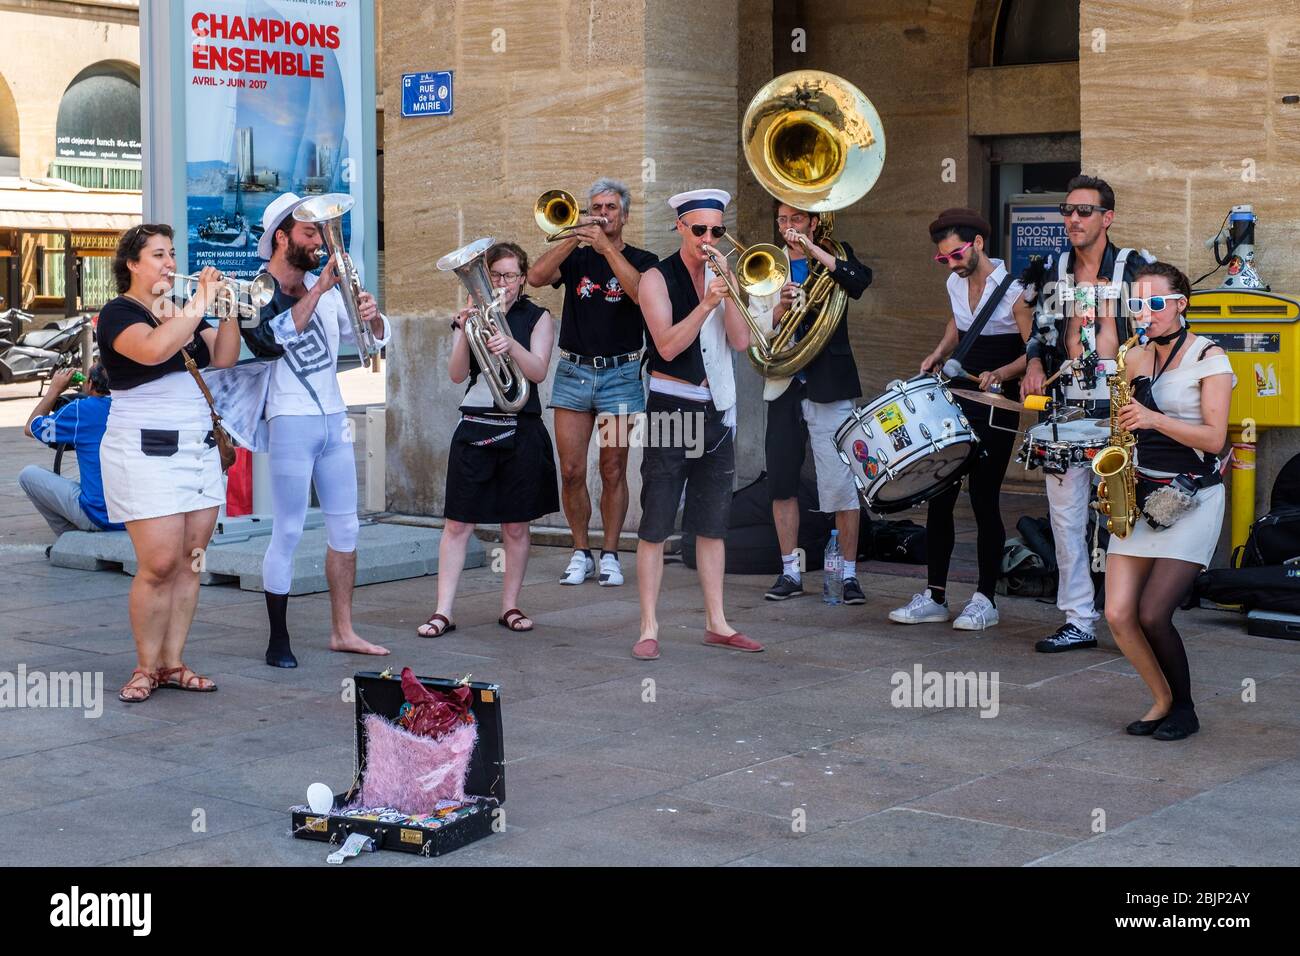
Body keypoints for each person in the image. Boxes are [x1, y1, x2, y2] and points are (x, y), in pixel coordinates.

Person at [96, 223, 241, 702]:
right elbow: (154, 349)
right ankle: (144, 666)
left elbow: (223, 358)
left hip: (197, 450)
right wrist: (200, 301)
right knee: (159, 562)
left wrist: (230, 310)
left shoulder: (175, 309)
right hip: (144, 450)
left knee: (191, 561)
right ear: (132, 265)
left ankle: (173, 662)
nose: (170, 264)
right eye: (158, 255)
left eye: (172, 254)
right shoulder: (118, 313)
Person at [252, 192, 392, 668]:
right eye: (310, 232)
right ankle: (278, 639)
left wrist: (372, 318)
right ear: (281, 237)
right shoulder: (257, 289)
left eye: (320, 232)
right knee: (288, 530)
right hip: (288, 418)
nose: (320, 242)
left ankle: (343, 630)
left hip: (334, 416)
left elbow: (367, 340)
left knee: (346, 525)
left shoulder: (326, 289)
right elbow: (270, 338)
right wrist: (320, 290)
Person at [1022, 174, 1154, 653]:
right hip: (1066, 407)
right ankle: (1079, 618)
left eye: (1084, 211)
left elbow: (1161, 326)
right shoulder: (1052, 269)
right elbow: (1036, 326)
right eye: (1067, 210)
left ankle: (1129, 616)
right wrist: (1035, 363)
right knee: (1065, 520)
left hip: (1120, 408)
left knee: (1123, 517)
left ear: (1107, 217)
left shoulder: (1134, 266)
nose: (1073, 219)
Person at [1104, 261, 1233, 741]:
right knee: (1117, 613)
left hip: (1191, 496)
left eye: (1155, 303)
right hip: (1141, 493)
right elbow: (1123, 424)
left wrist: (1153, 420)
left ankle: (1186, 709)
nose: (1145, 312)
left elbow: (1216, 438)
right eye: (1137, 303)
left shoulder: (1210, 357)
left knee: (1154, 613)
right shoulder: (1132, 356)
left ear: (1180, 304)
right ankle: (1161, 701)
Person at [631, 188, 760, 660]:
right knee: (657, 520)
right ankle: (648, 626)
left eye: (718, 231)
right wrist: (706, 303)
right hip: (671, 408)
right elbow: (666, 346)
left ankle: (717, 622)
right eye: (701, 229)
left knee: (713, 522)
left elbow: (741, 343)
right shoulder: (655, 278)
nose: (710, 239)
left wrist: (733, 293)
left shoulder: (721, 272)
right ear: (681, 227)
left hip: (718, 408)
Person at [889, 208, 1030, 631]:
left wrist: (1003, 374)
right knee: (940, 493)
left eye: (955, 255)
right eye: (943, 259)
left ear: (979, 244)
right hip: (957, 392)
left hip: (997, 401)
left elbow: (1034, 349)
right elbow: (958, 323)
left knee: (984, 497)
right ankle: (935, 595)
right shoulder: (956, 282)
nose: (950, 264)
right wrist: (938, 352)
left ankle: (986, 598)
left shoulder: (1015, 290)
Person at [417, 241, 558, 638]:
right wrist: (464, 330)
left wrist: (510, 344)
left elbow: (538, 371)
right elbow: (457, 375)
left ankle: (510, 605)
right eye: (495, 275)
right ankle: (443, 611)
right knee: (457, 524)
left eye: (510, 275)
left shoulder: (538, 317)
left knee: (515, 526)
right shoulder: (474, 316)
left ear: (523, 278)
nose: (502, 283)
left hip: (522, 428)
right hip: (477, 425)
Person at [526, 179, 658, 588]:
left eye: (611, 208)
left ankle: (612, 554)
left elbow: (640, 293)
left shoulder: (643, 258)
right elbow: (535, 276)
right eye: (596, 207)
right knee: (570, 470)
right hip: (573, 372)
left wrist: (606, 249)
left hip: (620, 375)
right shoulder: (576, 257)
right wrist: (572, 238)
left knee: (614, 468)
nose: (603, 213)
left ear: (625, 215)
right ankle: (580, 551)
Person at [760, 202, 872, 604]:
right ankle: (790, 571)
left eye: (795, 220)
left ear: (813, 221)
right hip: (785, 384)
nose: (788, 228)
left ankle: (849, 575)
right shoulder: (766, 264)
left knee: (842, 483)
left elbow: (860, 281)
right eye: (783, 221)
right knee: (782, 479)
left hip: (830, 383)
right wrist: (779, 307)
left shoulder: (838, 254)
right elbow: (752, 326)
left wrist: (813, 250)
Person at [20, 364, 124, 537]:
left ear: (90, 384)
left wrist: (54, 390)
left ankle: (70, 537)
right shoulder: (134, 408)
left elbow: (31, 428)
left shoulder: (80, 410)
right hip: (138, 517)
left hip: (101, 516)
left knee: (28, 475)